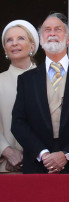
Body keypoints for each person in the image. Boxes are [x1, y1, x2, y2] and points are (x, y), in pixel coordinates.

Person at [10, 13, 69, 174]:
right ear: (41, 40)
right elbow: (18, 123)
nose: (52, 33)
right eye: (47, 30)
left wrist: (66, 154)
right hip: (38, 166)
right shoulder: (26, 80)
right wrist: (43, 154)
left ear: (68, 39)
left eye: (58, 29)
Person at [0, 20, 38, 173]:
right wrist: (7, 151)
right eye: (9, 40)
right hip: (5, 169)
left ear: (32, 46)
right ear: (5, 49)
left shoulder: (48, 80)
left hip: (41, 167)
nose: (14, 43)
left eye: (21, 38)